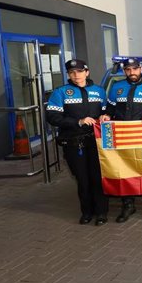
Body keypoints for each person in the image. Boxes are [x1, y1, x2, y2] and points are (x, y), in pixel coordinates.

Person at [100, 58, 142, 222]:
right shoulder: (116, 87)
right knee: (124, 173)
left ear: (141, 69)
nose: (131, 72)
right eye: (128, 70)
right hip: (122, 138)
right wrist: (107, 115)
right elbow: (111, 108)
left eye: (134, 69)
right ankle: (128, 205)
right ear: (124, 71)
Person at [46, 59, 109, 226]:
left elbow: (107, 110)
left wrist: (106, 115)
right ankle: (87, 212)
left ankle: (102, 212)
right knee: (82, 178)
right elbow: (52, 117)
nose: (76, 75)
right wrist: (78, 122)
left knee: (98, 177)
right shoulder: (60, 93)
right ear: (68, 74)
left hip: (96, 142)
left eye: (79, 71)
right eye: (72, 72)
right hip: (74, 142)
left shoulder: (99, 91)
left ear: (86, 72)